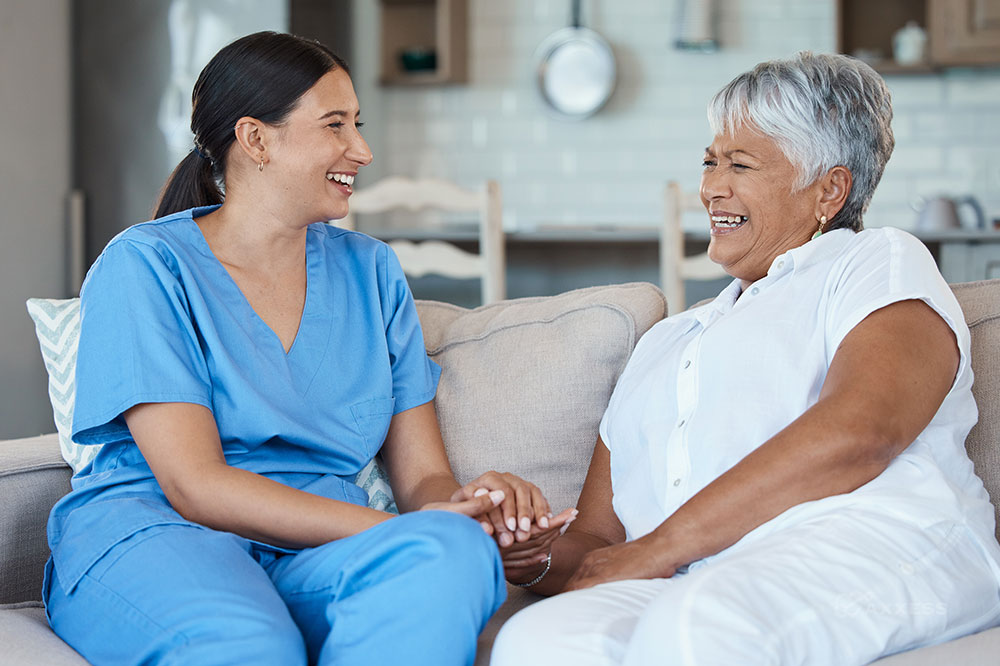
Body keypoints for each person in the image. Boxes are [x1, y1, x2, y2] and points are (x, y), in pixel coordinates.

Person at [43, 31, 572, 666]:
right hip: (163, 534)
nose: (363, 149)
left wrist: (467, 514)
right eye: (335, 125)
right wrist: (403, 529)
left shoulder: (371, 272)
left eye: (358, 124)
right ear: (256, 139)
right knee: (248, 644)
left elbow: (423, 478)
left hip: (319, 550)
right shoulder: (145, 266)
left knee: (453, 555)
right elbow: (196, 487)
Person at [491, 51, 1000, 665]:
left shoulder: (874, 263)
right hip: (698, 575)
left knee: (696, 626)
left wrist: (662, 549)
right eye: (710, 162)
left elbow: (863, 431)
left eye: (739, 165)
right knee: (539, 640)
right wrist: (533, 554)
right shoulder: (667, 341)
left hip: (880, 547)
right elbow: (604, 540)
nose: (711, 187)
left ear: (829, 190)